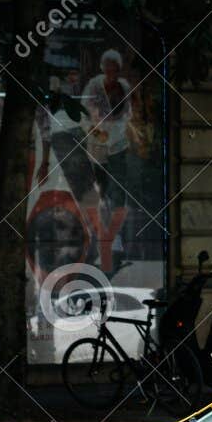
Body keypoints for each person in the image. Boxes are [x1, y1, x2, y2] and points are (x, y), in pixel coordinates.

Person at [82, 49, 135, 273]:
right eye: (107, 65)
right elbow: (86, 112)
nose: (111, 69)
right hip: (98, 145)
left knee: (118, 191)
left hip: (118, 145)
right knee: (102, 190)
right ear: (103, 67)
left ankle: (115, 238)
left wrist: (116, 130)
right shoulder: (94, 85)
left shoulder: (124, 86)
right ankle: (101, 238)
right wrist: (98, 130)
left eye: (114, 65)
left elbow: (128, 114)